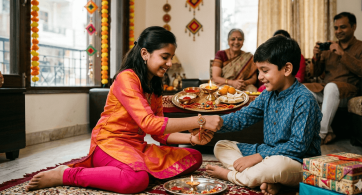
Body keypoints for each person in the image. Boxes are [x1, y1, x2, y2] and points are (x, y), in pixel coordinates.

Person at [25, 26, 223, 194]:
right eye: (165, 57)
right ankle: (67, 174)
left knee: (194, 157)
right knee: (136, 180)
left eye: (171, 58)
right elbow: (149, 123)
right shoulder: (126, 78)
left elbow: (160, 135)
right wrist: (201, 121)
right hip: (109, 144)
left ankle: (124, 170)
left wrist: (192, 139)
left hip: (136, 147)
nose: (170, 64)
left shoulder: (153, 85)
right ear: (145, 53)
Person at [206, 35, 322, 195]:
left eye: (265, 71)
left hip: (296, 162)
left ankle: (232, 175)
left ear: (287, 69)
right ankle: (269, 180)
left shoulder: (304, 99)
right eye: (259, 70)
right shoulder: (268, 95)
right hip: (266, 155)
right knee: (221, 146)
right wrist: (213, 123)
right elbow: (241, 118)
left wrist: (258, 157)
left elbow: (297, 147)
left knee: (276, 165)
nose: (260, 77)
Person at [304, 12, 362, 144]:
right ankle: (329, 132)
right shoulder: (329, 48)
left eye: (343, 27)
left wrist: (342, 53)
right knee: (302, 90)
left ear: (354, 27)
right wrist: (316, 57)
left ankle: (320, 135)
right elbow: (315, 73)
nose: (338, 31)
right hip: (326, 91)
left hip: (349, 92)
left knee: (331, 87)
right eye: (336, 28)